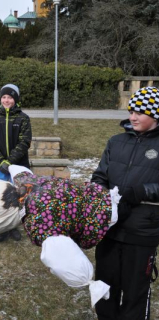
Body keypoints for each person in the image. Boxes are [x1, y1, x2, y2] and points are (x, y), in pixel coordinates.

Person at [0, 165, 122, 307]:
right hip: (98, 194)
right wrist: (8, 165)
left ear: (2, 221)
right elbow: (17, 168)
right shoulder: (24, 183)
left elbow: (61, 254)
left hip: (105, 215)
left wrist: (86, 281)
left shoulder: (39, 222)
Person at [91, 86, 159, 320]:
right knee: (104, 290)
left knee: (135, 294)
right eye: (131, 111)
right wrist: (98, 192)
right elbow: (100, 175)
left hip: (142, 232)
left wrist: (141, 191)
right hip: (109, 230)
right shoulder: (116, 141)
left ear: (155, 114)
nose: (133, 117)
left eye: (140, 112)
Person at [0, 84, 32, 244]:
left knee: (17, 197)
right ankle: (1, 229)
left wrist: (10, 162)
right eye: (4, 97)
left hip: (18, 166)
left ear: (16, 99)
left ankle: (13, 226)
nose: (7, 100)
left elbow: (24, 142)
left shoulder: (23, 119)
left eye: (10, 97)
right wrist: (1, 161)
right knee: (0, 198)